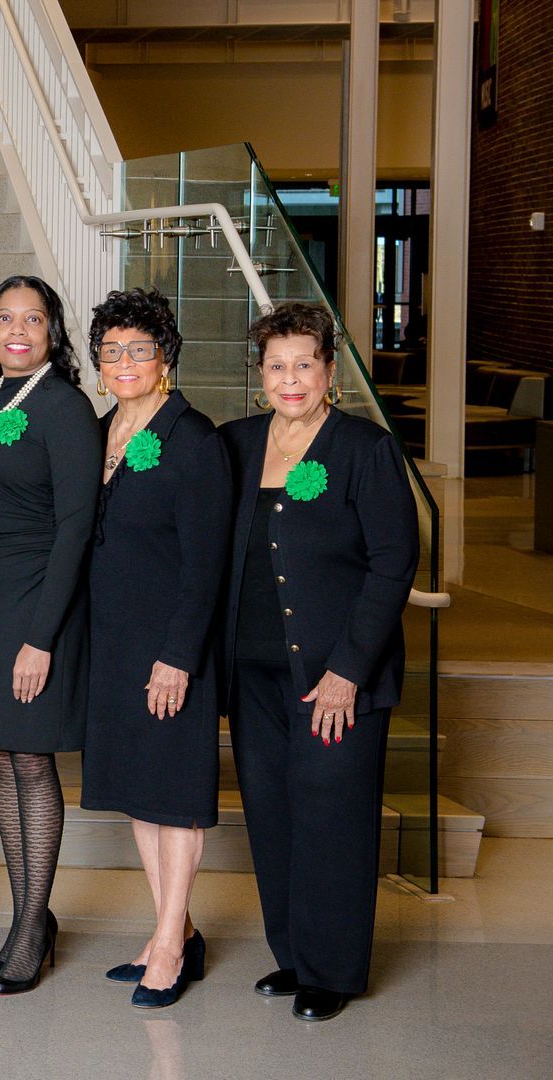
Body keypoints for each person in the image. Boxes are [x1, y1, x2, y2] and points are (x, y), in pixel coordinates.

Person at [221, 302, 417, 1023]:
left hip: (335, 677)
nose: (290, 378)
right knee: (272, 816)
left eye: (304, 363)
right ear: (260, 374)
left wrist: (348, 671)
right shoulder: (237, 444)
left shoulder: (364, 448)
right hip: (252, 671)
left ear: (330, 371)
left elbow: (394, 563)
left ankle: (332, 970)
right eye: (276, 365)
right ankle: (296, 956)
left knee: (332, 817)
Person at [78, 288, 231, 1008]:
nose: (124, 362)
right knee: (142, 792)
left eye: (139, 349)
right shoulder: (99, 431)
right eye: (111, 351)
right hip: (112, 642)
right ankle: (176, 926)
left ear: (165, 357)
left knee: (175, 796)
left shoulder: (193, 438)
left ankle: (169, 945)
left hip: (169, 647)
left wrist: (179, 656)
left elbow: (207, 565)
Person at [0, 274, 101, 996]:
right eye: (5, 317)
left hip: (35, 603)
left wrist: (41, 638)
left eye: (32, 319)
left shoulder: (65, 406)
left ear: (52, 332)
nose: (17, 330)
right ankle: (27, 920)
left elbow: (76, 527)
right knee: (2, 756)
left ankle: (32, 929)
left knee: (32, 760)